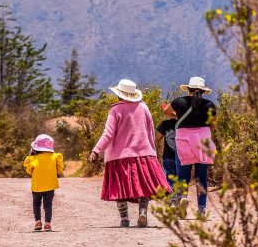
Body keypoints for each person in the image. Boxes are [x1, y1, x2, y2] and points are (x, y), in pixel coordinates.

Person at [90, 79, 171, 228]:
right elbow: (149, 131)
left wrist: (96, 150)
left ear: (119, 95)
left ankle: (125, 219)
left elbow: (108, 134)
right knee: (143, 187)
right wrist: (152, 152)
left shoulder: (115, 110)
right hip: (144, 154)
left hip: (119, 157)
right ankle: (142, 212)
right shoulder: (143, 107)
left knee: (119, 188)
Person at [163, 77, 216, 219]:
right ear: (203, 91)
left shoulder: (178, 102)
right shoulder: (209, 104)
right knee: (201, 178)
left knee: (182, 174)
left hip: (183, 141)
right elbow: (212, 124)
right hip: (203, 141)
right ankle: (201, 210)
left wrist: (177, 115)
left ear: (188, 89)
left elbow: (167, 112)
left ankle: (181, 197)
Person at [23, 134, 64, 232]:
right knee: (48, 204)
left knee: (36, 204)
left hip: (37, 186)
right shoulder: (55, 157)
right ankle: (47, 224)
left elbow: (29, 171)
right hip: (50, 186)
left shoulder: (33, 158)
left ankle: (37, 222)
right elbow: (59, 169)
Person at [156, 104, 177, 190]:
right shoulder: (182, 124)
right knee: (180, 178)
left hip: (168, 156)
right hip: (182, 157)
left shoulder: (164, 124)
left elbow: (158, 138)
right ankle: (179, 197)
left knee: (169, 178)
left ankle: (171, 199)